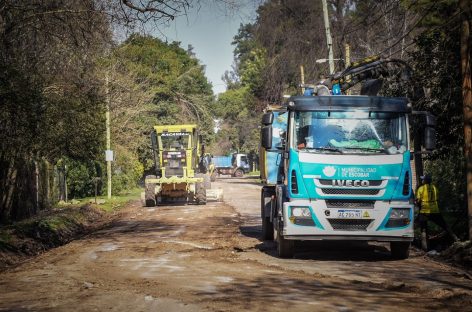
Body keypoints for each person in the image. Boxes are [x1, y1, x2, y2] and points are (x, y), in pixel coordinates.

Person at [415, 174, 459, 250]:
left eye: (423, 179)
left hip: (424, 211)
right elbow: (437, 198)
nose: (422, 180)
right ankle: (456, 239)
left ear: (425, 181)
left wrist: (417, 203)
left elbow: (418, 200)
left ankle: (424, 247)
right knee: (445, 226)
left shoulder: (421, 189)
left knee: (422, 228)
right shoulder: (435, 188)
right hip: (435, 210)